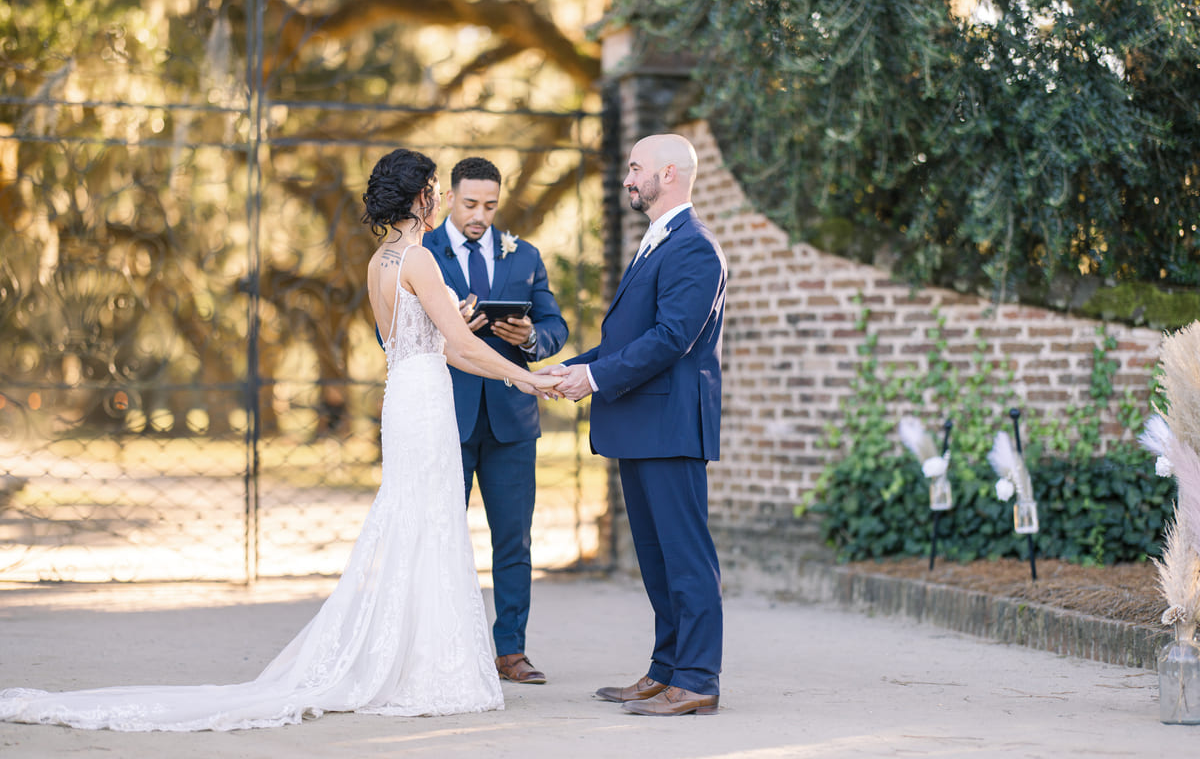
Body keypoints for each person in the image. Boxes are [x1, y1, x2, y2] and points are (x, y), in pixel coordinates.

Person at [0, 148, 562, 732]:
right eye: (438, 188)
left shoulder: (380, 261)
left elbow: (433, 344)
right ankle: (424, 666)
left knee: (417, 521)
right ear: (420, 196)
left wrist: (478, 344)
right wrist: (528, 377)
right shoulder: (419, 258)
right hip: (423, 403)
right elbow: (462, 347)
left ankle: (406, 657)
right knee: (430, 523)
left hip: (408, 397)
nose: (443, 196)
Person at [541, 134, 727, 716]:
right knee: (655, 556)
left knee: (685, 557)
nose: (627, 178)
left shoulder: (694, 247)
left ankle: (696, 679)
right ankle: (665, 669)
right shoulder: (656, 243)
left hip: (670, 425)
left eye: (634, 168)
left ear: (668, 174)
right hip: (642, 424)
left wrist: (593, 381)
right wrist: (569, 368)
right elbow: (626, 340)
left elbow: (672, 339)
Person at [422, 157, 568, 685]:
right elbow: (390, 332)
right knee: (441, 537)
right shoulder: (422, 254)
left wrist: (530, 338)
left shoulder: (523, 254)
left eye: (489, 205)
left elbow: (555, 324)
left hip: (512, 419)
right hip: (447, 417)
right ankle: (442, 649)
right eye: (469, 205)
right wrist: (447, 327)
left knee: (514, 539)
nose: (480, 215)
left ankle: (511, 650)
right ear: (449, 199)